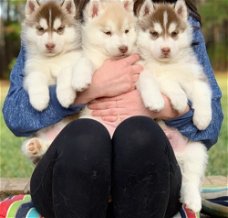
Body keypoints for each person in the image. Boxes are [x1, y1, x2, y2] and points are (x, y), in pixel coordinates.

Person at [2, 0, 223, 217]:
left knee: (139, 133)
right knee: (86, 136)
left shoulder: (170, 15)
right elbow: (15, 115)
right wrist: (88, 92)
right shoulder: (59, 15)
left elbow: (211, 126)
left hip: (152, 185)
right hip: (69, 182)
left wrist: (162, 108)